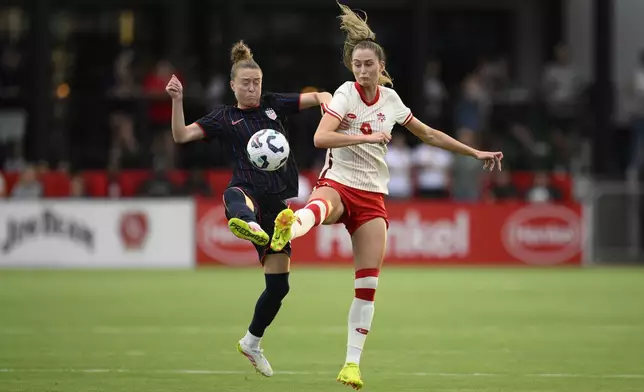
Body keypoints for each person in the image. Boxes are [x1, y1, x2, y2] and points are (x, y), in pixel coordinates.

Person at [269, 3, 504, 389]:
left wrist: (474, 152)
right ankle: (289, 227)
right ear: (351, 67)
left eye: (368, 65)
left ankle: (351, 365)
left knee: (368, 284)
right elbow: (319, 137)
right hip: (340, 182)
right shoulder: (345, 94)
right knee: (321, 205)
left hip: (373, 196)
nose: (362, 70)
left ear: (380, 67)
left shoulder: (391, 101)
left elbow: (429, 134)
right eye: (357, 65)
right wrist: (364, 136)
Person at [166, 40, 332, 377]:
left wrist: (326, 98)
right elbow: (181, 136)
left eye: (256, 82)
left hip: (278, 206)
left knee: (279, 287)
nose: (253, 87)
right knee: (235, 197)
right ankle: (246, 223)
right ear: (233, 86)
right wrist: (177, 100)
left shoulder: (273, 105)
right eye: (246, 83)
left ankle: (252, 342)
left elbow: (313, 97)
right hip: (247, 190)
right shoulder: (224, 117)